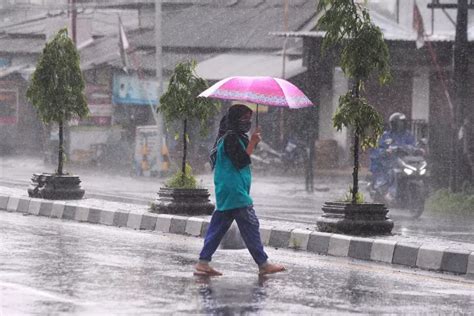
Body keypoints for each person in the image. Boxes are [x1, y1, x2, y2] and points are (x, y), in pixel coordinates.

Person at [194, 104, 286, 277]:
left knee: (218, 227)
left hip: (228, 190)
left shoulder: (234, 137)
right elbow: (241, 160)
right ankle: (263, 263)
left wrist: (252, 142)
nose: (247, 122)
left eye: (249, 119)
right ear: (235, 120)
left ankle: (203, 262)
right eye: (244, 119)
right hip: (234, 190)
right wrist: (252, 142)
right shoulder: (230, 138)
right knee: (250, 225)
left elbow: (242, 154)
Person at [370, 112, 417, 200]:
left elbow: (414, 145)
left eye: (402, 122)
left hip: (404, 161)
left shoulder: (408, 135)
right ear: (393, 124)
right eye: (399, 123)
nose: (401, 125)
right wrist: (385, 151)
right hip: (388, 162)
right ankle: (389, 193)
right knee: (391, 172)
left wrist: (417, 149)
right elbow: (376, 149)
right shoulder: (386, 135)